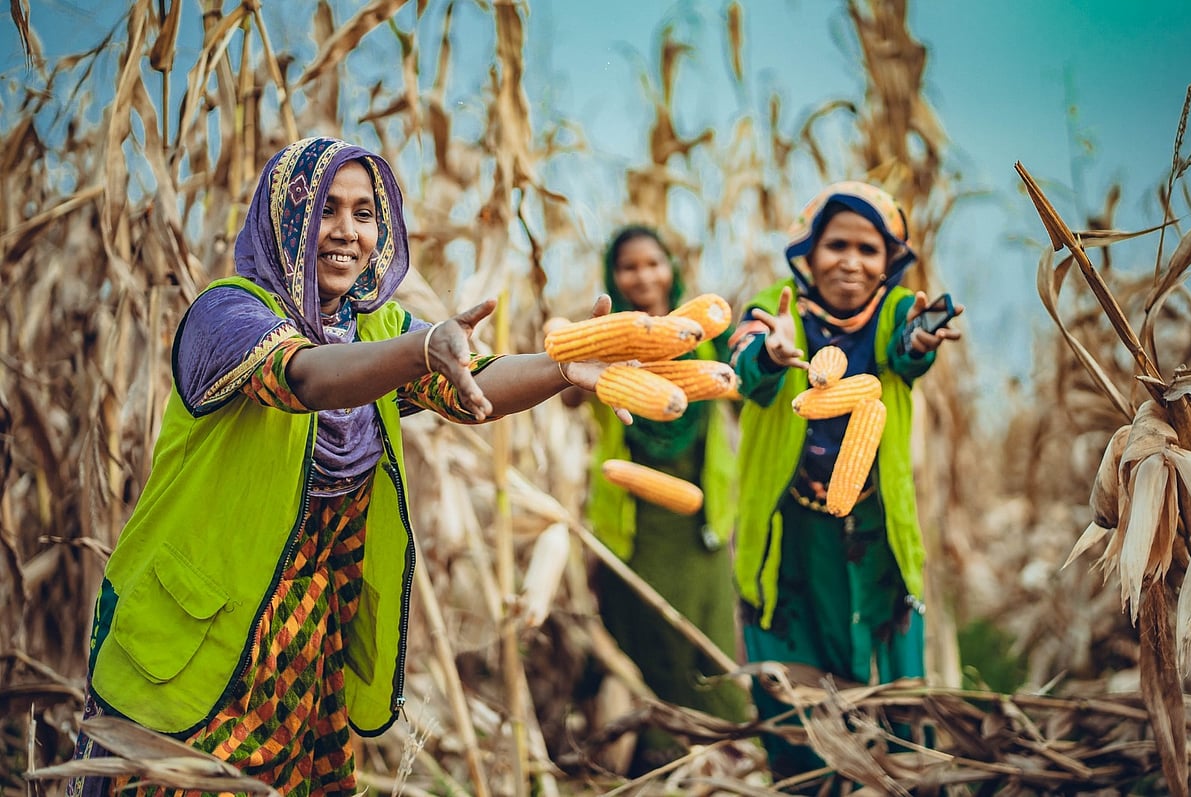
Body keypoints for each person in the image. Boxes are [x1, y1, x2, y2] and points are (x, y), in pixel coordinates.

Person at [67, 136, 617, 797]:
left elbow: (474, 386)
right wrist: (419, 348)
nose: (346, 232)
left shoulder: (373, 327)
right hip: (193, 650)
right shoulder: (227, 313)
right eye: (326, 208)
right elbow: (304, 378)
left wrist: (562, 370)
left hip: (304, 657)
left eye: (364, 212)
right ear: (284, 221)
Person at [728, 181, 963, 782]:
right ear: (809, 252)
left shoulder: (894, 313)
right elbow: (745, 370)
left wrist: (920, 342)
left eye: (869, 248)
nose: (851, 262)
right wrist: (771, 355)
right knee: (795, 695)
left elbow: (908, 350)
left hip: (873, 536)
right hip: (792, 536)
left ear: (890, 260)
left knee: (890, 699)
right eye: (836, 245)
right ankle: (809, 784)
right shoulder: (776, 307)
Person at [563, 225, 746, 775]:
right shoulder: (604, 339)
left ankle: (723, 757)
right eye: (629, 267)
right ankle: (651, 763)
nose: (643, 276)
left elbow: (747, 399)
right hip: (633, 530)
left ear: (672, 267)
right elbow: (571, 396)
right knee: (644, 641)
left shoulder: (707, 339)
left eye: (653, 263)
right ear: (613, 276)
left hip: (700, 524)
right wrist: (582, 354)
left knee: (705, 644)